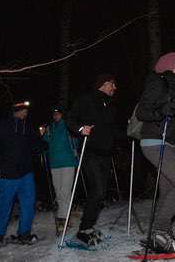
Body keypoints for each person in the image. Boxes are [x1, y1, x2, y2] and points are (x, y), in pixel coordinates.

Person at [135, 52, 175, 254]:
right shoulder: (158, 83)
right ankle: (160, 231)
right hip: (153, 141)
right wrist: (160, 112)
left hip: (168, 143)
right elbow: (142, 112)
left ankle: (162, 236)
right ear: (172, 66)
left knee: (168, 190)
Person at [0, 100, 46, 248]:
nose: (25, 112)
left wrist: (40, 137)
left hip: (26, 173)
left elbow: (37, 147)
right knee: (4, 205)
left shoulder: (28, 127)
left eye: (26, 110)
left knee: (28, 203)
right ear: (16, 110)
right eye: (23, 110)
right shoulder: (4, 126)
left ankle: (24, 233)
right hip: (8, 174)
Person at [66, 73, 117, 246]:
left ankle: (89, 227)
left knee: (100, 193)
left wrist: (132, 135)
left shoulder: (109, 104)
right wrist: (81, 129)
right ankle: (83, 230)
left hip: (105, 154)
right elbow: (70, 119)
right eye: (112, 84)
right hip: (90, 152)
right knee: (98, 190)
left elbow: (111, 130)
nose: (114, 87)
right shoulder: (86, 99)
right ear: (102, 84)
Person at [40, 107, 78, 233]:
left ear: (62, 115)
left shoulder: (68, 126)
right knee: (58, 190)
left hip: (68, 162)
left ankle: (63, 218)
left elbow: (76, 141)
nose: (55, 116)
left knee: (65, 191)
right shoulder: (50, 128)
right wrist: (42, 134)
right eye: (54, 114)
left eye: (58, 114)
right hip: (54, 164)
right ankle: (66, 215)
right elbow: (45, 141)